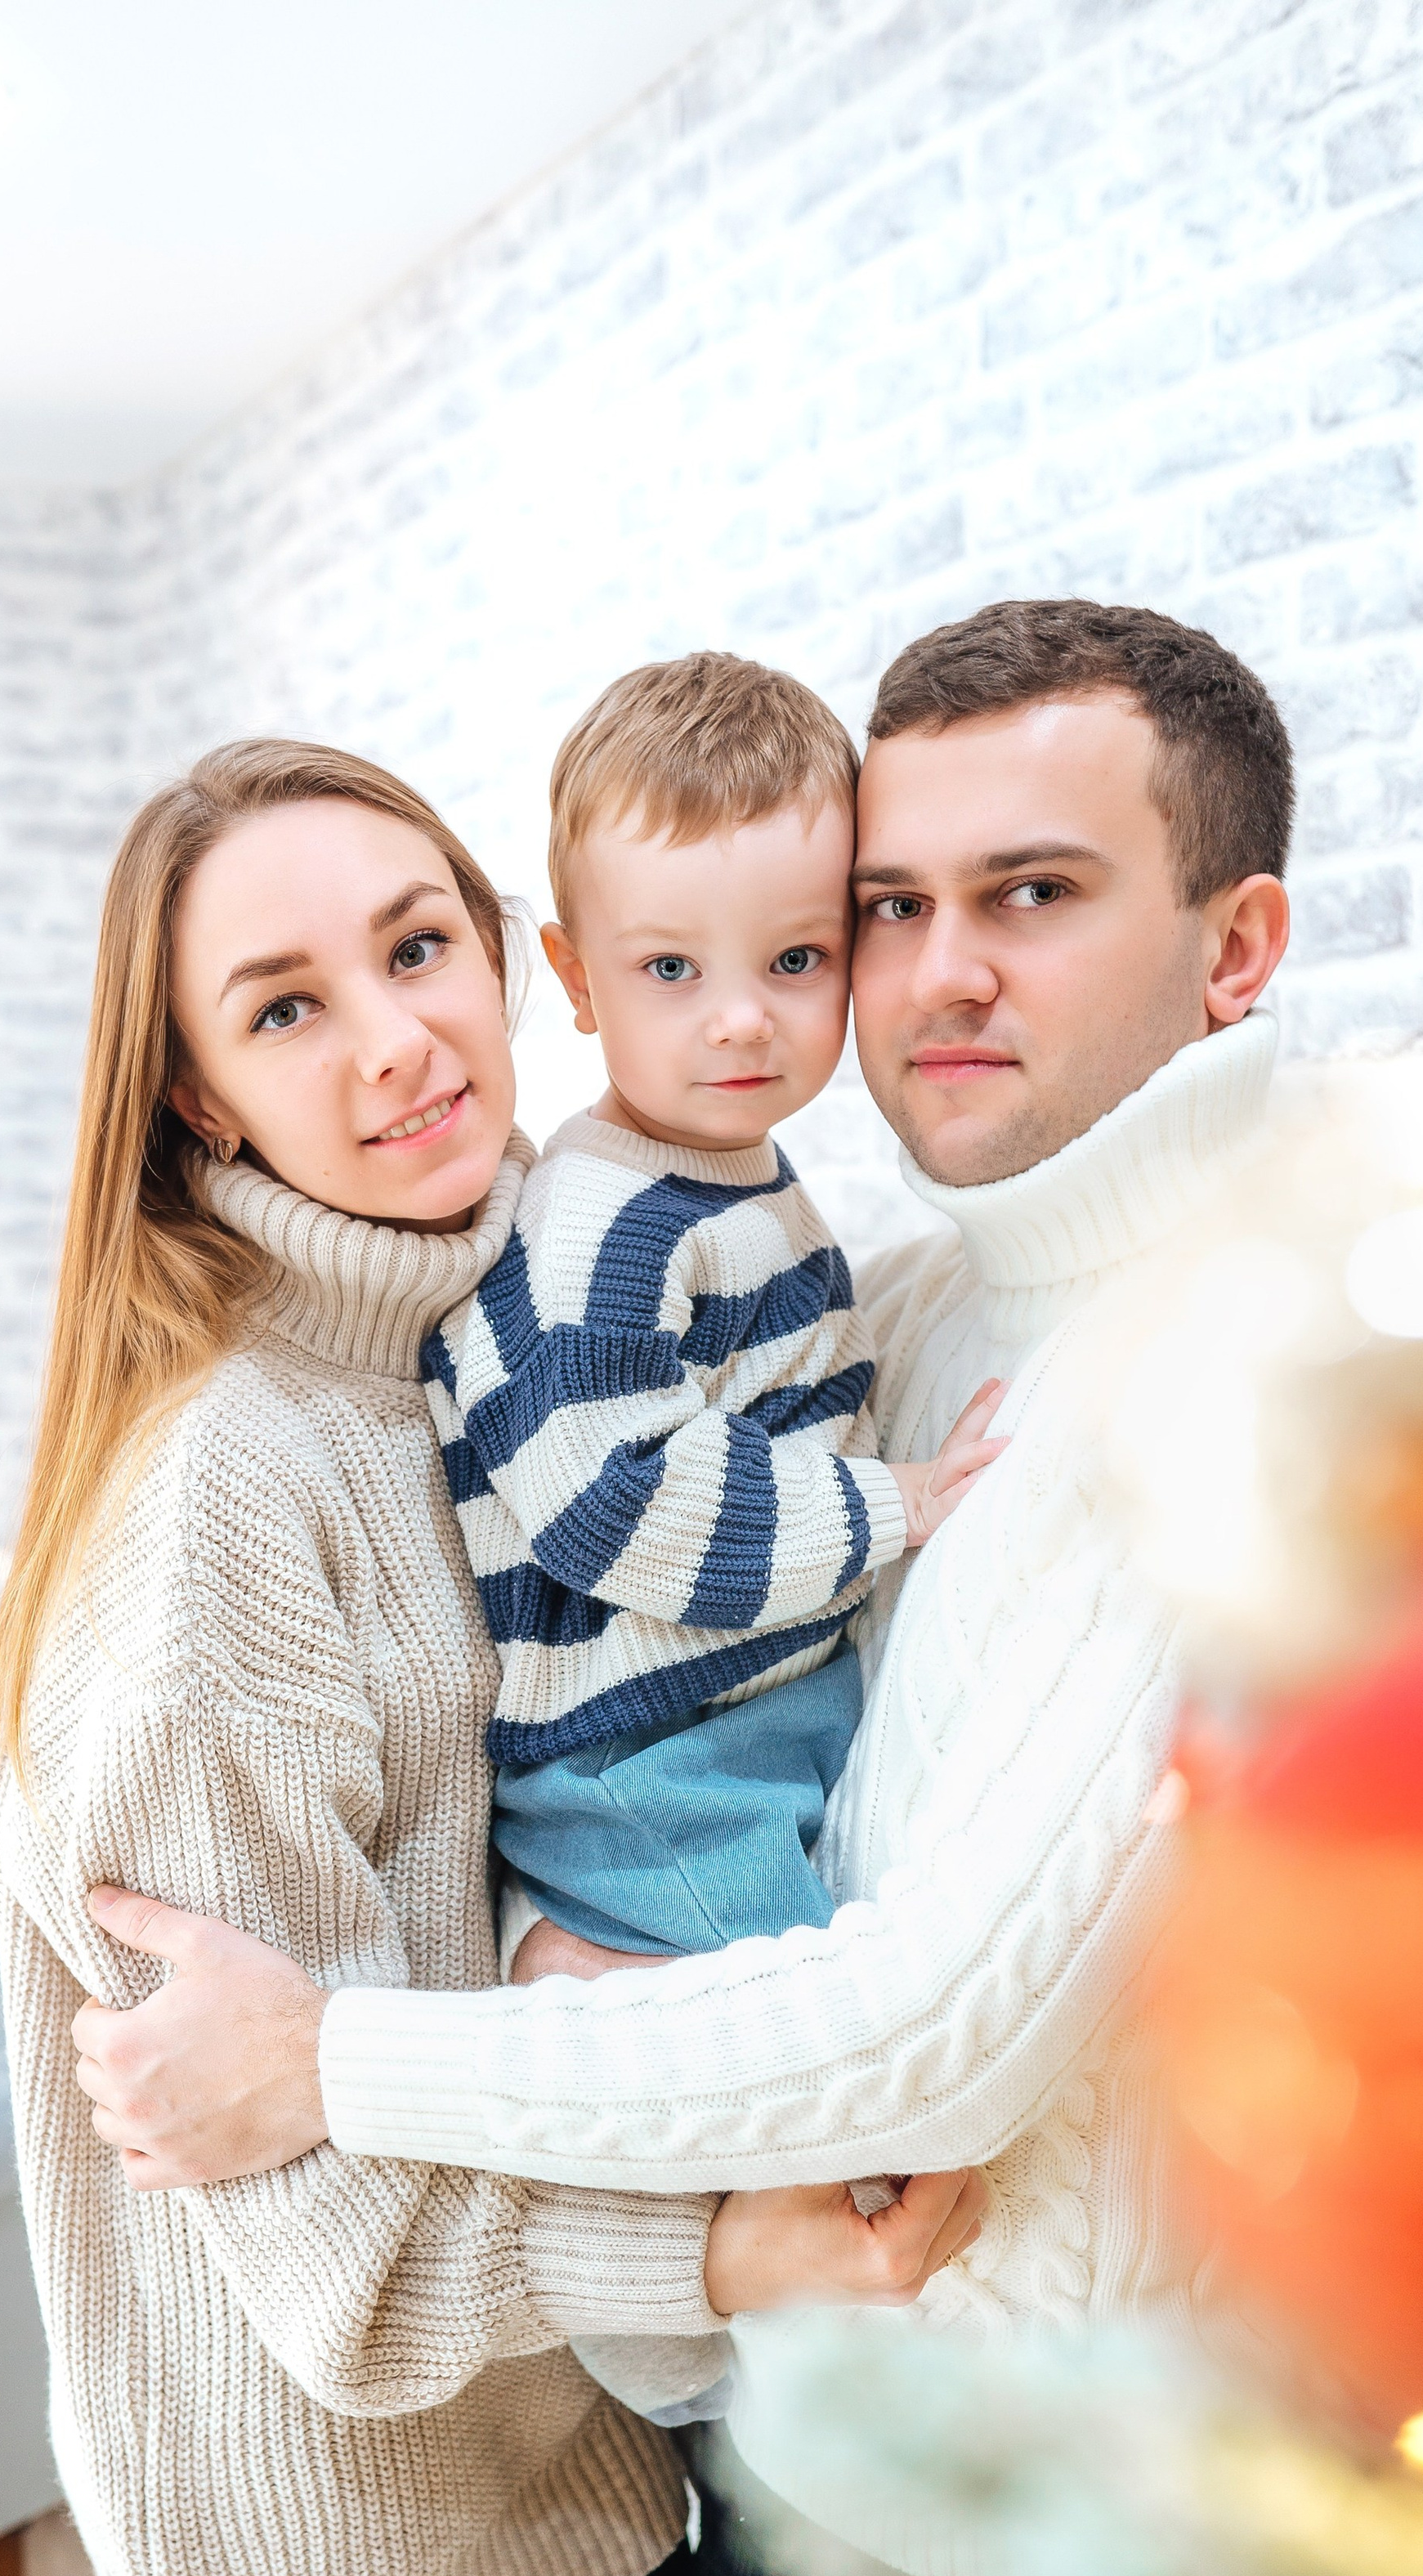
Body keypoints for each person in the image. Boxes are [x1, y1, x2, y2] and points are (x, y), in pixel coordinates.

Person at [65, 599, 1298, 2576]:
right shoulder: (919, 1295)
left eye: (1029, 895)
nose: (927, 979)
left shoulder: (1233, 1371)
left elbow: (929, 2033)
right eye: (890, 909)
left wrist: (330, 2057)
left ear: (1237, 947)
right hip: (783, 2479)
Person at [0, 734, 987, 2576]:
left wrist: (543, 1968)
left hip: (558, 2414)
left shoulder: (499, 1319)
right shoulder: (222, 1486)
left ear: (509, 962)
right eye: (286, 1007)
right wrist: (725, 2249)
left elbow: (536, 1784)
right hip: (309, 2471)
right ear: (196, 1098)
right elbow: (319, 2247)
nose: (394, 1040)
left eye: (414, 950)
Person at [428, 650, 1004, 1985]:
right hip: (657, 1762)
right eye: (672, 969)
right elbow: (612, 1501)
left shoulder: (725, 1176)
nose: (742, 1021)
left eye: (796, 959)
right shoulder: (602, 1228)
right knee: (817, 2033)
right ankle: (564, 1970)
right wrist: (899, 1503)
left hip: (741, 1719)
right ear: (578, 980)